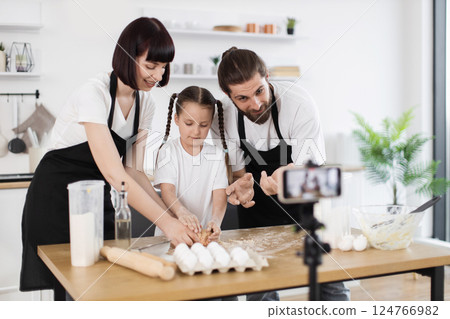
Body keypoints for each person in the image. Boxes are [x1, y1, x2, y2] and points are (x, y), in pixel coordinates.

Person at [20, 17, 197, 295]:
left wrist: (176, 212)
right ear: (127, 56)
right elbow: (116, 173)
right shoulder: (94, 94)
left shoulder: (146, 103)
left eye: (163, 68)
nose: (158, 76)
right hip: (56, 197)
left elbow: (135, 171)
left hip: (96, 197)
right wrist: (167, 223)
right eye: (151, 66)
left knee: (103, 285)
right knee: (70, 288)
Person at [210, 47, 349, 301]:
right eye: (242, 98)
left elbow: (314, 177)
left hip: (306, 208)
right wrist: (241, 184)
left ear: (267, 77)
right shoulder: (223, 117)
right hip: (256, 209)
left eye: (259, 91)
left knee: (329, 279)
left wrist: (288, 180)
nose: (256, 104)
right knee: (259, 287)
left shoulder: (299, 104)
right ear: (227, 95)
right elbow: (239, 173)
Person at [153, 86, 232, 244]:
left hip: (202, 237)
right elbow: (168, 191)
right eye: (189, 123)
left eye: (203, 125)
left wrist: (215, 222)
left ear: (211, 123)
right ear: (177, 119)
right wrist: (181, 212)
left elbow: (220, 194)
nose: (196, 132)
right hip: (168, 237)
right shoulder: (168, 151)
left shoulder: (216, 155)